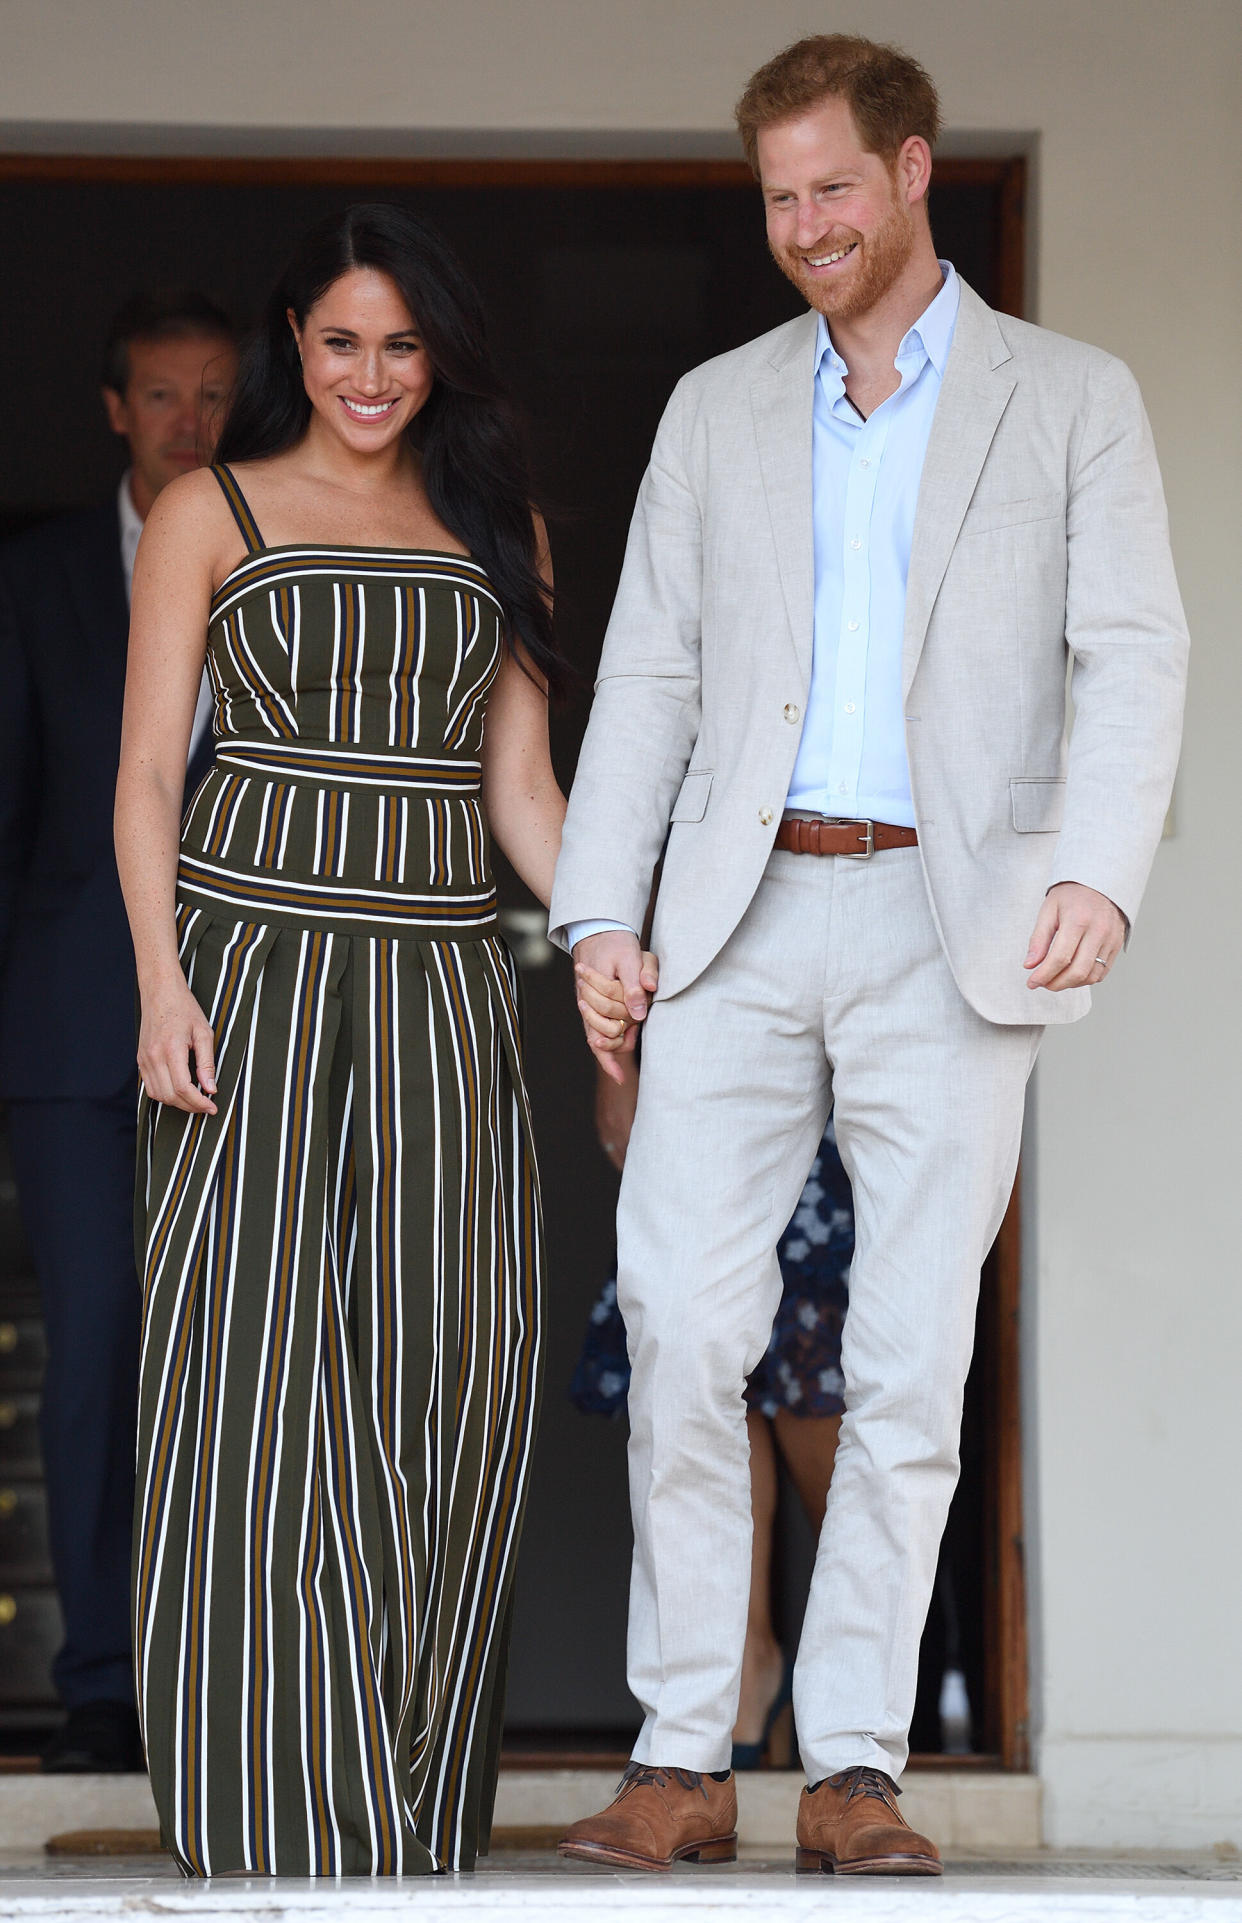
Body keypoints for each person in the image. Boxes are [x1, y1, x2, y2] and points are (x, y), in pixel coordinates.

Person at [553, 33, 1188, 1877]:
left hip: (952, 915)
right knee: (679, 1321)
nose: (807, 226)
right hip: (735, 915)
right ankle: (681, 1752)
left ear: (914, 172)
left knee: (906, 1355)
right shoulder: (713, 406)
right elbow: (651, 673)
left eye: (834, 187)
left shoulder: (1070, 395)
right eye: (778, 199)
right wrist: (605, 912)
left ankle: (851, 1765)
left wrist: (1100, 870)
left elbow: (1129, 653)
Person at [114, 203, 630, 1877]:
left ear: (441, 357)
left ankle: (402, 1814)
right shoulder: (212, 507)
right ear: (294, 341)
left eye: (400, 343)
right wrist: (158, 987)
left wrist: (625, 943)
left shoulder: (496, 524)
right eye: (339, 341)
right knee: (252, 1401)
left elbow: (522, 796)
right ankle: (264, 1805)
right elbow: (146, 780)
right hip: (246, 990)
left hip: (438, 996)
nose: (368, 374)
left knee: (444, 1390)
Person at [0, 289, 236, 1771]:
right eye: (163, 396)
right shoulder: (36, 579)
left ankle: (225, 1676)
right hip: (79, 1034)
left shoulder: (272, 560)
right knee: (94, 1349)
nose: (189, 424)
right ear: (114, 408)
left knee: (246, 1355)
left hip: (254, 1027)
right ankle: (98, 1678)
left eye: (216, 397)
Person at [572, 1059, 849, 1769]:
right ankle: (748, 1665)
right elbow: (633, 947)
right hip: (707, 1072)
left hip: (843, 1094)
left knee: (822, 1394)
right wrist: (617, 1068)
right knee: (713, 1371)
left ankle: (857, 1689)